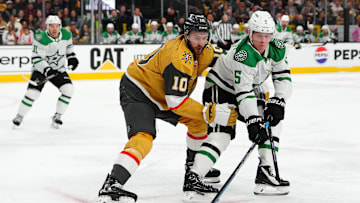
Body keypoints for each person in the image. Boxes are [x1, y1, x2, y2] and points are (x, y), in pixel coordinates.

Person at [97, 14, 238, 203]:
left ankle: (192, 174)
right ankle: (112, 184)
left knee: (199, 123)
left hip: (164, 95)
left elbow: (230, 60)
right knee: (143, 138)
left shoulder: (206, 49)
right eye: (196, 37)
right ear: (186, 35)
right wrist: (209, 112)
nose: (201, 42)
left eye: (205, 37)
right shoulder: (178, 57)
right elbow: (176, 103)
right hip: (139, 91)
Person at [186, 11, 292, 200]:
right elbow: (243, 93)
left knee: (272, 123)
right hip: (220, 88)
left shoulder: (277, 46)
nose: (263, 40)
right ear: (249, 32)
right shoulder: (242, 54)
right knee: (222, 133)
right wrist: (252, 120)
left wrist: (279, 99)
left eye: (267, 35)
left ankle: (265, 174)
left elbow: (283, 75)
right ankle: (193, 177)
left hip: (249, 90)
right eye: (259, 35)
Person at [12, 15, 78, 129]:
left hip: (59, 69)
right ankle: (19, 116)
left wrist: (72, 58)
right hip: (41, 70)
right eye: (52, 26)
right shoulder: (40, 38)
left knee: (68, 90)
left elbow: (69, 49)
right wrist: (47, 69)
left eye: (56, 26)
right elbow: (36, 58)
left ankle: (57, 116)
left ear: (60, 26)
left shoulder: (66, 34)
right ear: (47, 27)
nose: (54, 29)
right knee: (32, 94)